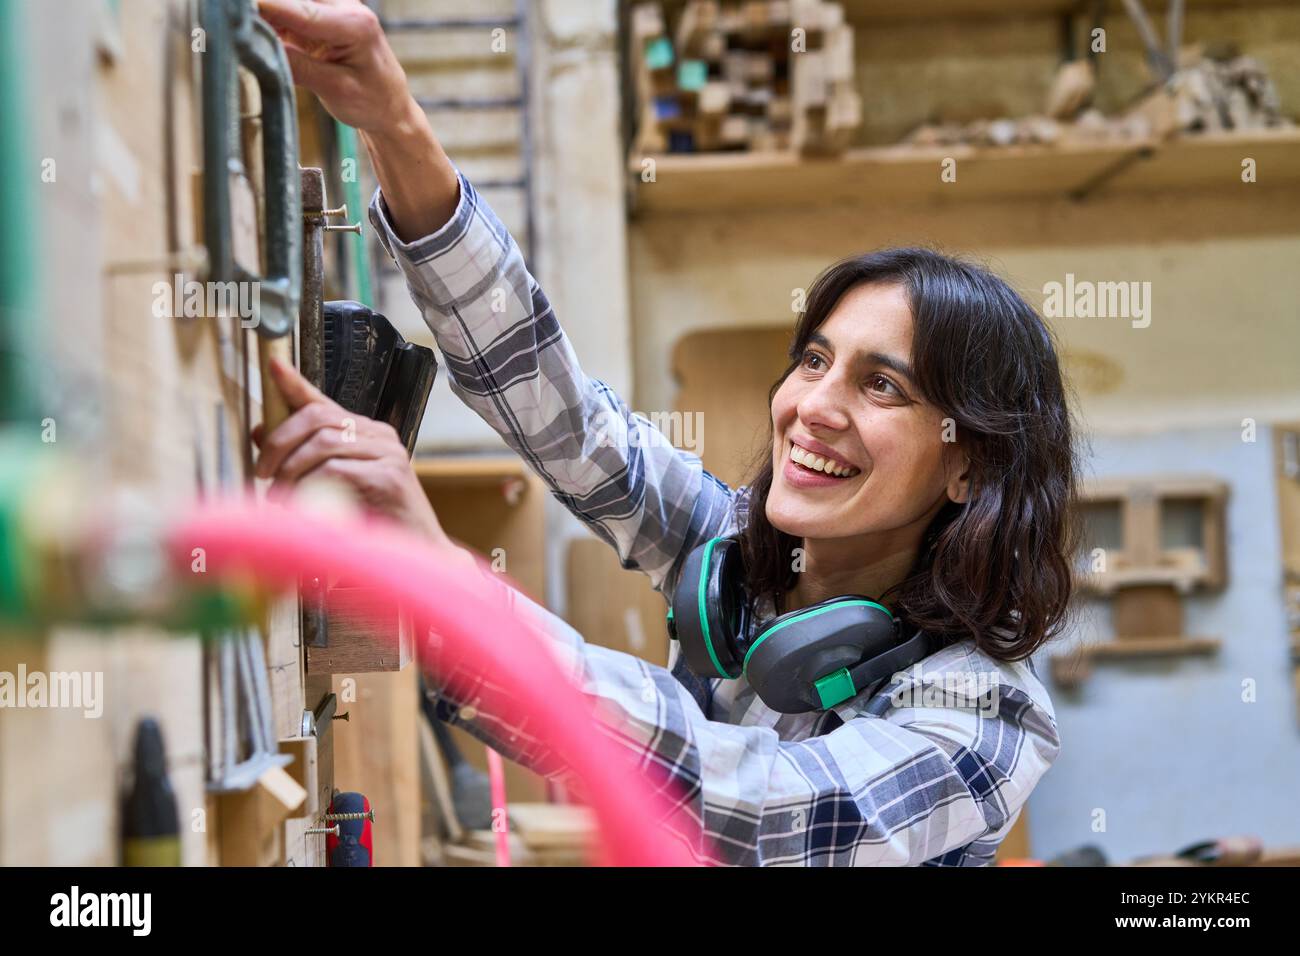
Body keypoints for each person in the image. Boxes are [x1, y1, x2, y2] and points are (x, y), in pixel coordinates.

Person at [253, 0, 1078, 866]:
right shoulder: (737, 559)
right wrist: (394, 122)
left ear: (969, 467)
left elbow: (761, 810)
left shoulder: (983, 712)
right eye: (812, 362)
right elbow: (560, 412)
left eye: (881, 385)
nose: (814, 407)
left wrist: (450, 594)